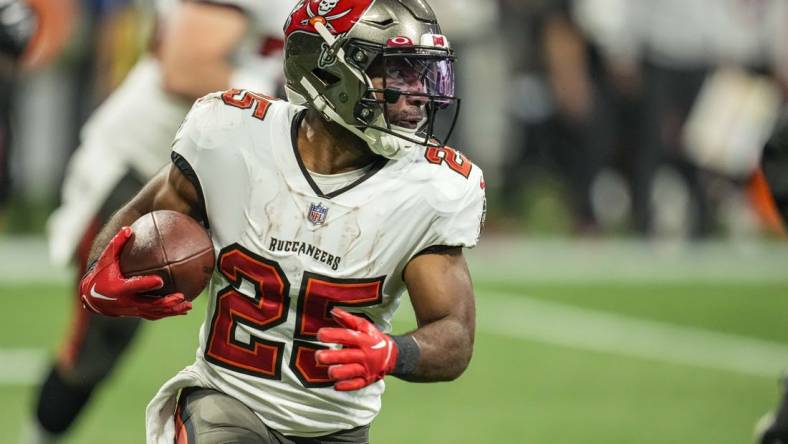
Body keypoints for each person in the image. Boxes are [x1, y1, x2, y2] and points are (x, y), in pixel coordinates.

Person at [76, 0, 485, 441]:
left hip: (335, 429)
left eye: (423, 72)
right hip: (226, 402)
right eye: (398, 71)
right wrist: (101, 275)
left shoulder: (428, 189)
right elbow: (138, 217)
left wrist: (394, 353)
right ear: (329, 71)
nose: (419, 93)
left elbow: (454, 333)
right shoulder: (232, 136)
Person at [25, 1, 294, 442]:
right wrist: (277, 98)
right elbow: (185, 69)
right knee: (100, 341)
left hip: (233, 175)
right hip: (146, 171)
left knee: (274, 328)